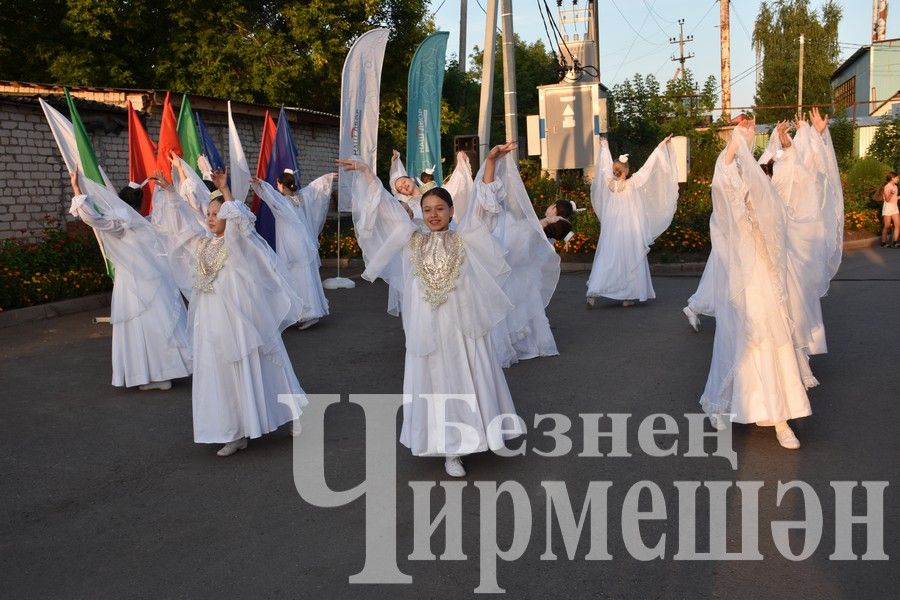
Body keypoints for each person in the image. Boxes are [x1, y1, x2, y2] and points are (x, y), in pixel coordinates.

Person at [337, 143, 524, 477]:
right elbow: (383, 209)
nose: (434, 214)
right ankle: (449, 447)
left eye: (440, 208)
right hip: (428, 326)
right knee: (436, 379)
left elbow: (484, 203)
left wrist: (492, 160)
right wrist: (367, 173)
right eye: (428, 209)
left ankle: (479, 434)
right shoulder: (411, 238)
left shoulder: (466, 234)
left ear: (452, 212)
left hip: (462, 323)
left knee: (468, 375)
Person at [150, 168, 306, 457]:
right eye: (208, 215)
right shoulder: (203, 245)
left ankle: (293, 412)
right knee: (219, 373)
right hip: (210, 320)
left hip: (241, 318)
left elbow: (241, 220)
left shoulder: (237, 243)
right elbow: (182, 224)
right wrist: (171, 193)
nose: (211, 219)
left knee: (262, 367)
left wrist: (225, 192)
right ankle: (233, 431)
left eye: (216, 214)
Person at [699, 119, 812, 450]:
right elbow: (723, 178)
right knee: (744, 340)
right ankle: (740, 403)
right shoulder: (737, 214)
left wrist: (779, 141)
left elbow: (789, 173)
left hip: (768, 284)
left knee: (774, 340)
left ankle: (781, 418)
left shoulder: (774, 204)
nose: (749, 190)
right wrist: (738, 141)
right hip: (743, 282)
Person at [67, 170, 191, 391]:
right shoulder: (144, 223)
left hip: (132, 286)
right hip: (156, 282)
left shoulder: (122, 223)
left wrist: (77, 190)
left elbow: (92, 218)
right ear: (142, 203)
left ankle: (150, 374)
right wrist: (170, 190)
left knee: (141, 328)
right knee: (158, 325)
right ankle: (165, 372)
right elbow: (173, 219)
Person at [483, 153, 561, 367]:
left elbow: (521, 244)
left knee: (519, 301)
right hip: (500, 267)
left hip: (513, 268)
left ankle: (526, 344)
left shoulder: (508, 219)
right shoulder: (490, 216)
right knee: (513, 302)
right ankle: (523, 343)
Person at [586, 135, 678, 308]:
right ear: (626, 170)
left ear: (615, 170)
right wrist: (660, 147)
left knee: (609, 257)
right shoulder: (632, 183)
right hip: (629, 230)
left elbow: (605, 167)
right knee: (629, 259)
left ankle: (595, 291)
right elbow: (648, 168)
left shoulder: (610, 185)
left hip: (613, 230)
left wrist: (605, 147)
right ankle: (628, 294)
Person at [250, 169, 335, 329]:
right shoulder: (300, 198)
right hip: (302, 243)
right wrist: (327, 178)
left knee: (296, 276)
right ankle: (306, 312)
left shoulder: (283, 202)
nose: (276, 187)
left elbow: (271, 196)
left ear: (282, 186)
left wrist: (261, 185)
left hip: (291, 244)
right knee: (305, 276)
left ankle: (307, 313)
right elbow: (313, 189)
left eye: (277, 184)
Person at [880, 171, 899, 248]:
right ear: (892, 178)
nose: (898, 179)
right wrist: (891, 193)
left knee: (898, 225)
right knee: (887, 225)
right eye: (897, 178)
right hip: (888, 207)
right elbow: (887, 200)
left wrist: (898, 197)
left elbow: (895, 198)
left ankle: (895, 242)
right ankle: (883, 242)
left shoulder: (895, 186)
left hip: (894, 207)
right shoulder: (887, 187)